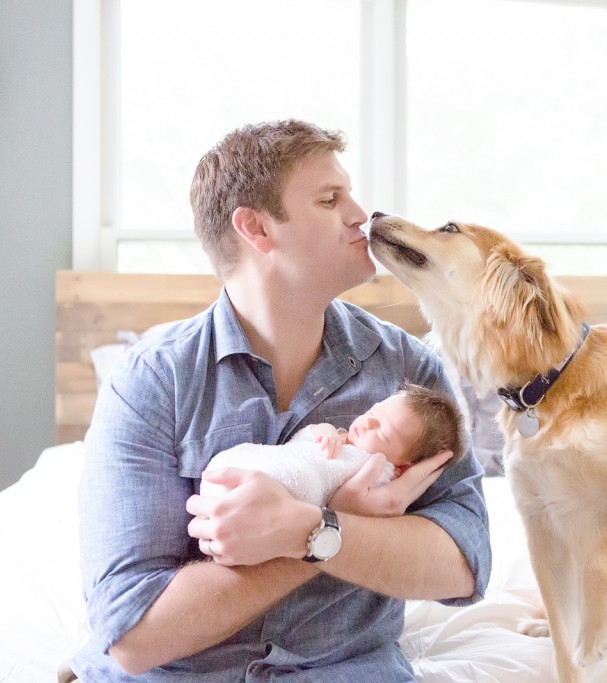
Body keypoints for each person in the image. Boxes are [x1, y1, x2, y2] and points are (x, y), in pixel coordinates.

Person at [73, 119, 491, 681]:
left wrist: (306, 530)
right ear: (256, 228)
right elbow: (133, 636)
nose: (360, 214)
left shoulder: (407, 372)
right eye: (329, 199)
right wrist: (337, 523)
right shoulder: (152, 381)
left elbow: (465, 563)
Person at [200, 383, 465, 506]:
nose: (367, 422)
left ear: (402, 468)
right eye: (373, 412)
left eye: (383, 432)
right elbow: (308, 442)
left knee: (300, 479)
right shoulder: (346, 439)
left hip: (298, 487)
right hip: (272, 465)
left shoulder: (381, 474)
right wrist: (327, 431)